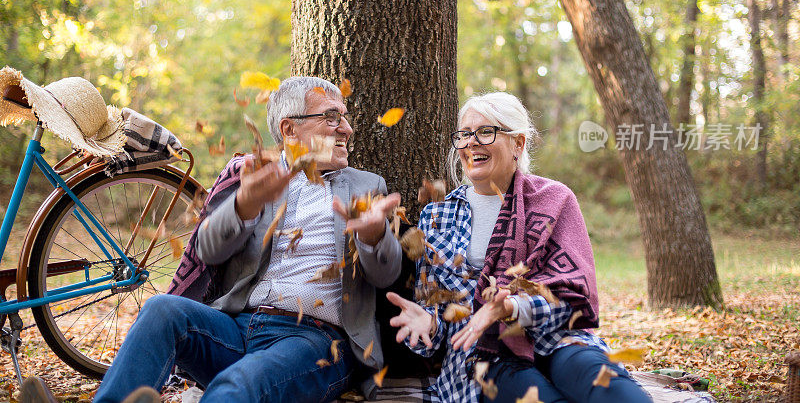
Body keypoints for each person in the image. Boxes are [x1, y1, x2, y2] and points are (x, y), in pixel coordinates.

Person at [22, 76, 403, 403]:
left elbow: (387, 275)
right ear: (290, 129)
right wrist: (243, 206)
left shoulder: (367, 186)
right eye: (333, 117)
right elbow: (207, 250)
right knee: (161, 310)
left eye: (345, 118)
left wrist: (373, 236)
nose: (347, 129)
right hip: (238, 327)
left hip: (316, 343)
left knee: (238, 385)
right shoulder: (258, 177)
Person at [387, 92, 651, 403]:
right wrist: (430, 324)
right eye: (464, 134)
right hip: (486, 355)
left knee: (618, 393)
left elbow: (575, 295)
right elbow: (438, 319)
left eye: (486, 131)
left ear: (518, 144)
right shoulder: (436, 217)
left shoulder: (555, 199)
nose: (471, 142)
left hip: (560, 340)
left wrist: (512, 307)